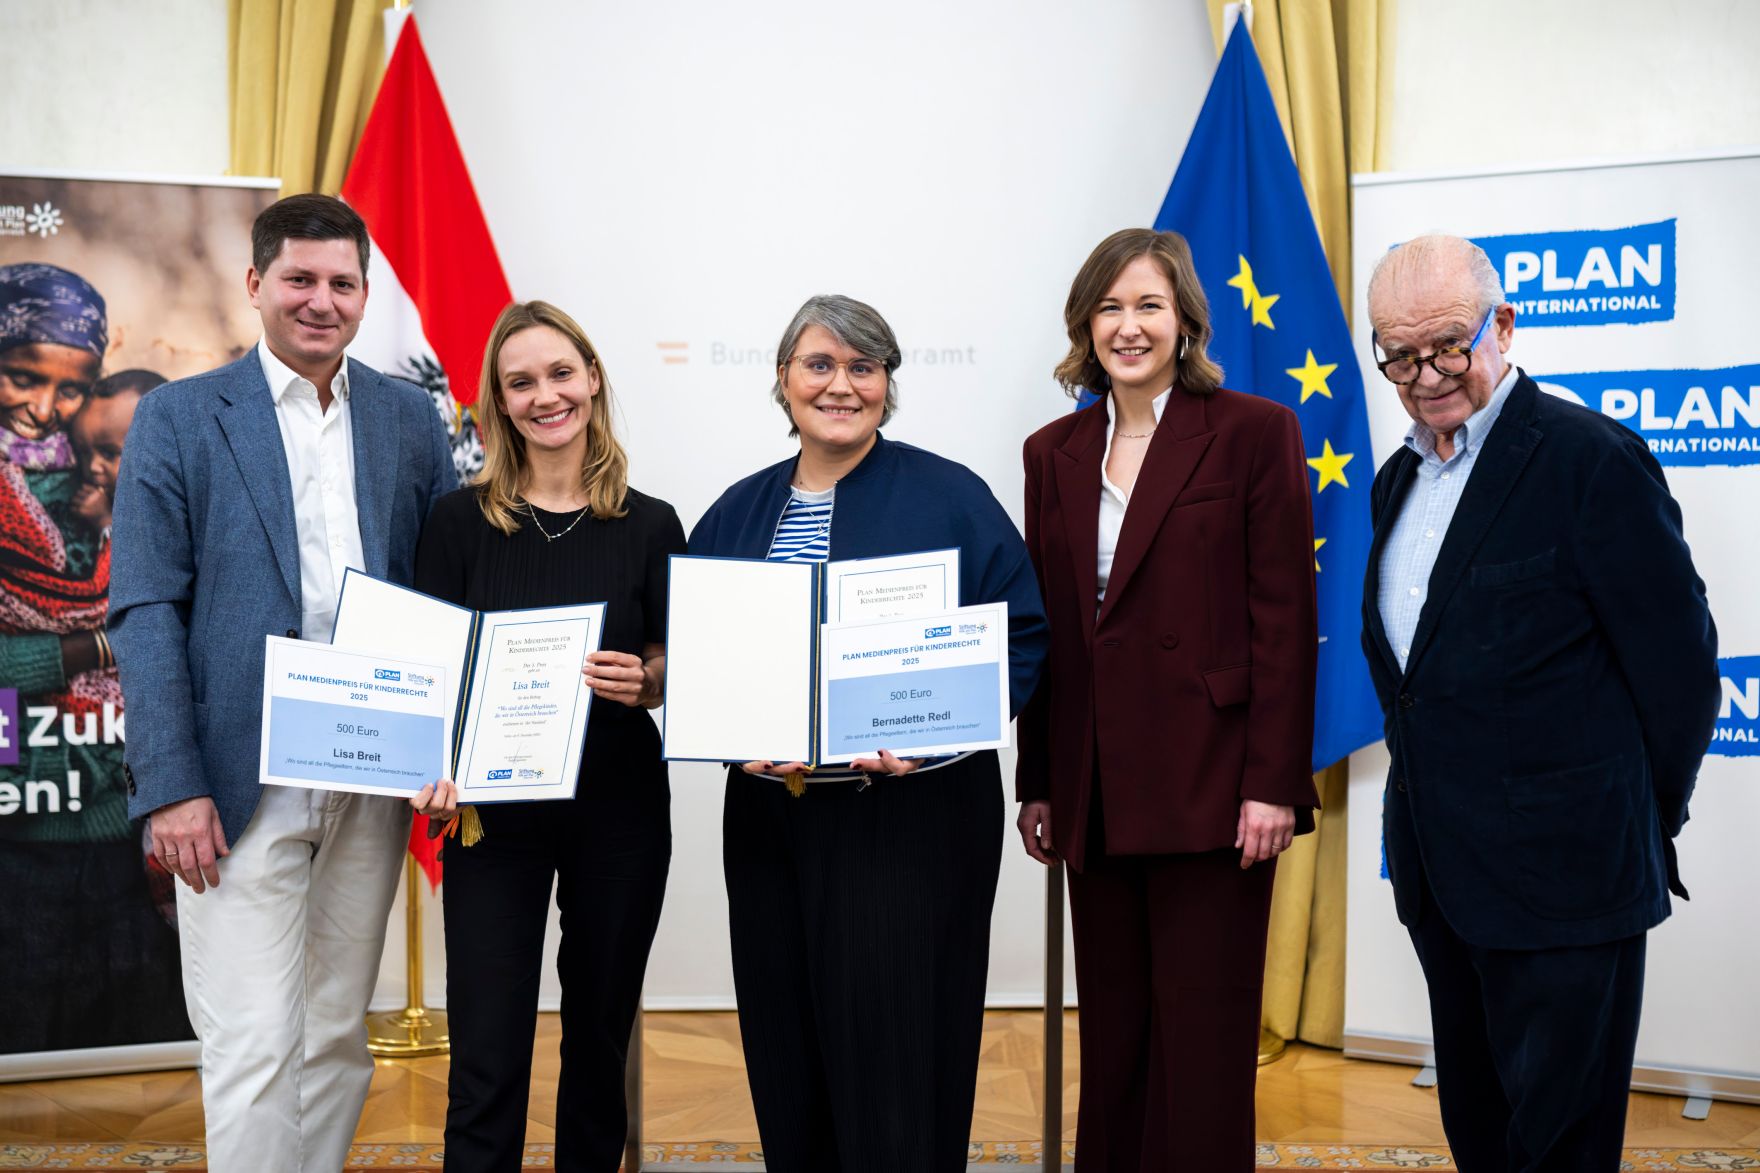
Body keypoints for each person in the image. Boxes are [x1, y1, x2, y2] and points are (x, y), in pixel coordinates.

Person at [109, 193, 458, 1172]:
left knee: (336, 1036)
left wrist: (449, 742)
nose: (321, 301)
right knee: (255, 1044)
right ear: (256, 284)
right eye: (299, 279)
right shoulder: (177, 418)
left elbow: (440, 591)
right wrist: (171, 783)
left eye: (341, 283)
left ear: (364, 294)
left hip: (372, 774)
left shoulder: (407, 419)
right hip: (233, 779)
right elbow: (143, 607)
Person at [1362, 235, 1720, 1170]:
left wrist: (1634, 821)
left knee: (1560, 1148)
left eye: (1446, 344)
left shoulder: (1588, 459)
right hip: (1443, 880)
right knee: (1479, 1133)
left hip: (1571, 884)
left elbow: (1680, 671)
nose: (1425, 373)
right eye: (1398, 355)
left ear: (1504, 325)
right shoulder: (1396, 479)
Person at [687, 294, 1047, 1173]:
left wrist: (934, 736)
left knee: (896, 1065)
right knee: (785, 1043)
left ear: (887, 384)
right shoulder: (738, 511)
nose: (840, 385)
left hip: (908, 815)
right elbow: (700, 653)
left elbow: (1023, 634)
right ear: (783, 380)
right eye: (819, 364)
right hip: (771, 817)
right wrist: (733, 735)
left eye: (863, 367)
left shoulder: (952, 495)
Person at [1015, 228, 1320, 1171]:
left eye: (1148, 304)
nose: (1129, 325)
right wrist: (1040, 780)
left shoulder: (1252, 430)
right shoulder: (1051, 450)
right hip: (1096, 788)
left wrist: (1273, 783)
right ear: (1085, 325)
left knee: (1204, 1046)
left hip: (1216, 787)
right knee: (1114, 1039)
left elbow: (1283, 617)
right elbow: (1049, 630)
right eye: (1110, 307)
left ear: (1186, 318)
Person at [413, 300, 683, 1172]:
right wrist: (433, 762)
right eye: (520, 382)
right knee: (487, 1055)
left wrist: (647, 679)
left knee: (598, 1045)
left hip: (620, 814)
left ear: (593, 379)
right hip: (494, 822)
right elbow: (427, 669)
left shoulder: (650, 522)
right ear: (496, 402)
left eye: (560, 373)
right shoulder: (456, 523)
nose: (545, 396)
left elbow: (675, 660)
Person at [0, 269, 189, 1054]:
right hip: (13, 806)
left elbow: (177, 620)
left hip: (120, 804)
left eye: (69, 390)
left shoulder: (107, 470)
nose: (45, 409)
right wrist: (103, 644)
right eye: (20, 376)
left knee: (136, 1026)